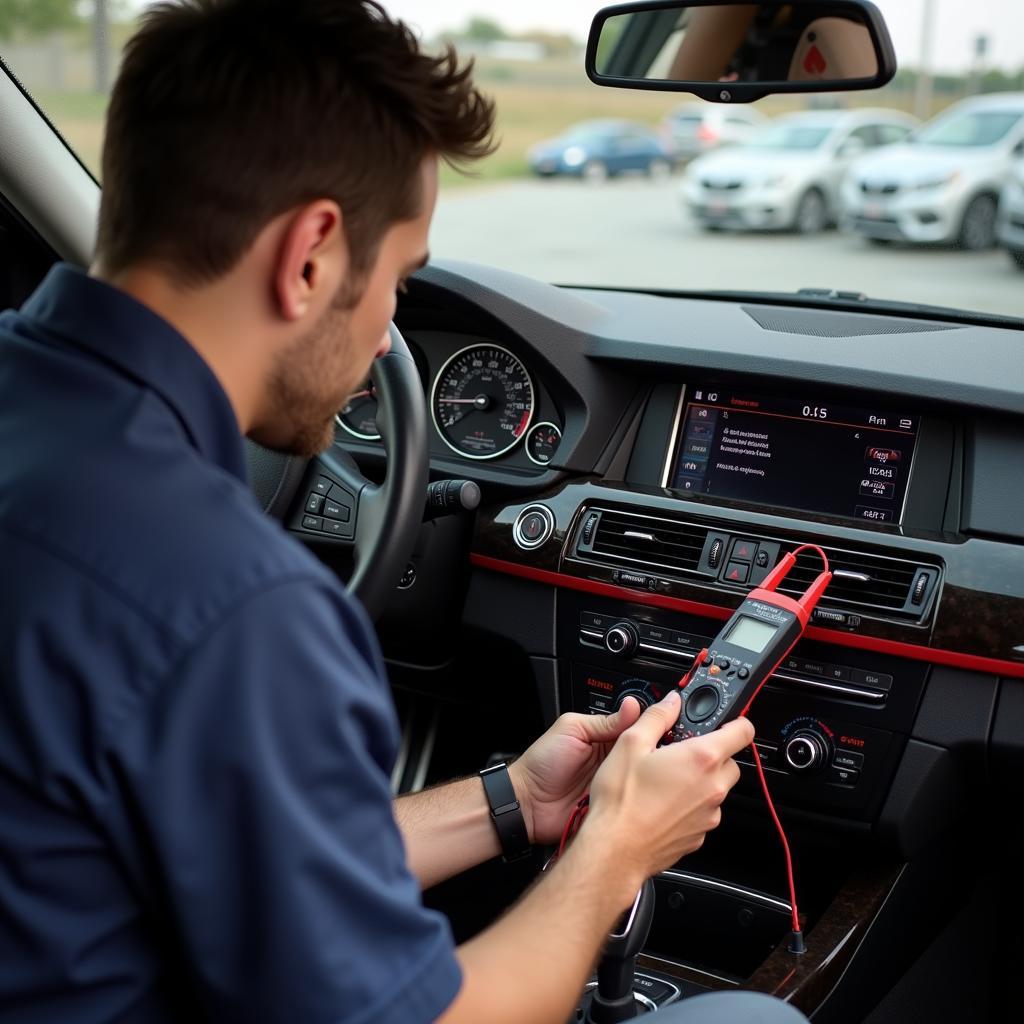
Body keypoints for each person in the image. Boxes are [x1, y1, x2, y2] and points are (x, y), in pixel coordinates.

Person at [0, 2, 800, 1022]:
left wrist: (514, 802)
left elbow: (266, 858)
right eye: (399, 281)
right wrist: (613, 852)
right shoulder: (237, 607)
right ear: (311, 255)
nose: (387, 342)